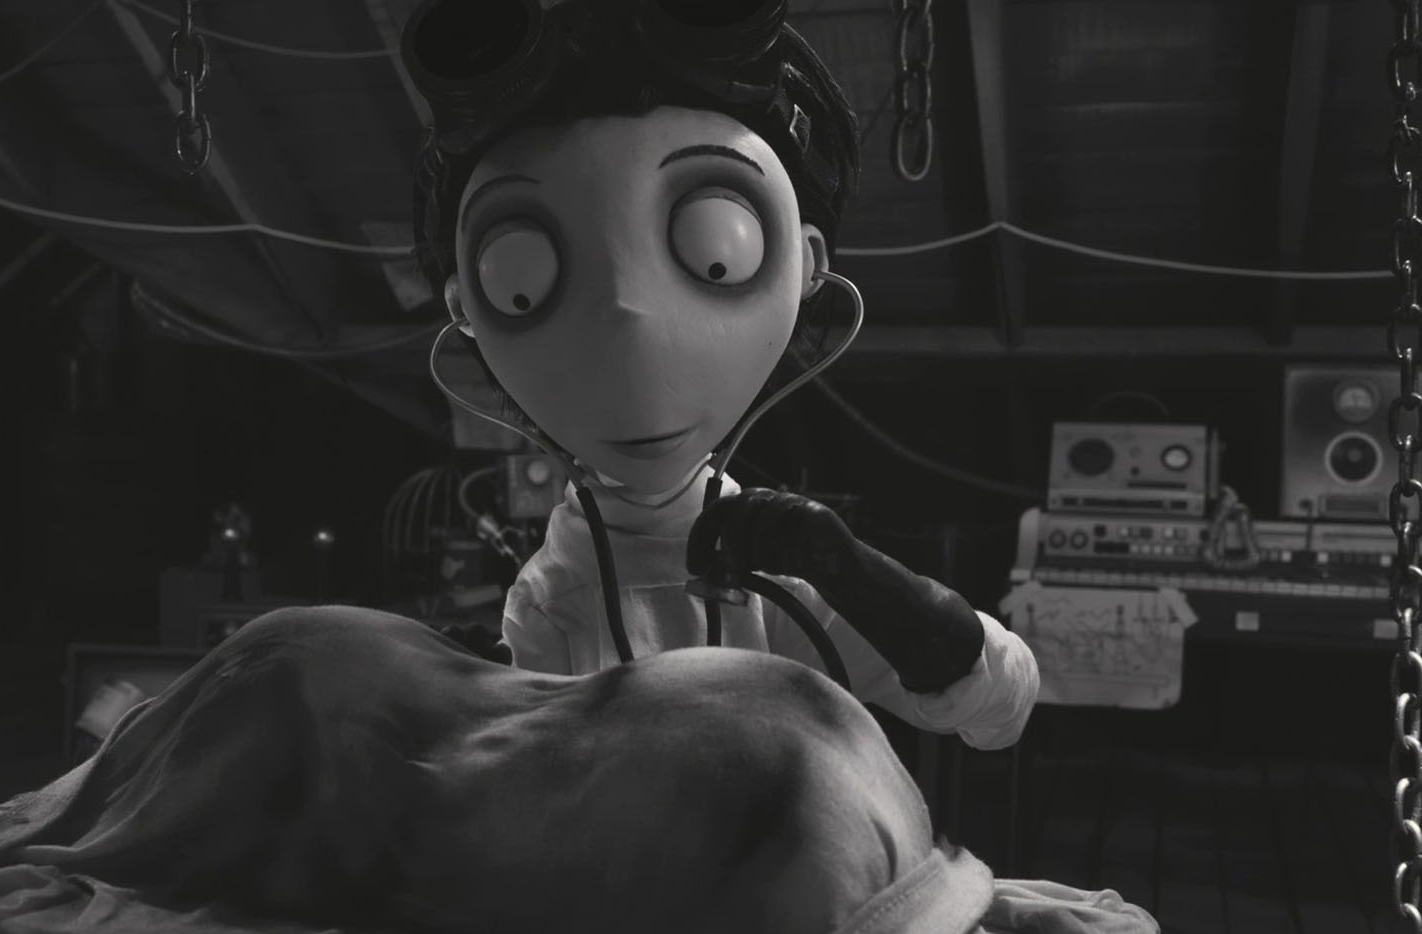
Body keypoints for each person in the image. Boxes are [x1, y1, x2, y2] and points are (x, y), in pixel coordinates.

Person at [408, 0, 1038, 751]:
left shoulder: (780, 575)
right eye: (522, 284)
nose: (631, 321)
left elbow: (998, 703)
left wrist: (859, 577)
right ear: (464, 309)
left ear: (806, 264)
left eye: (717, 254)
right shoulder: (551, 600)